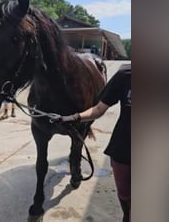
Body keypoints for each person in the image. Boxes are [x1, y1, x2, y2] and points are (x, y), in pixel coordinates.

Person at [54, 63, 131, 222]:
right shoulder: (126, 74)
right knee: (125, 195)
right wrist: (74, 117)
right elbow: (99, 109)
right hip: (124, 148)